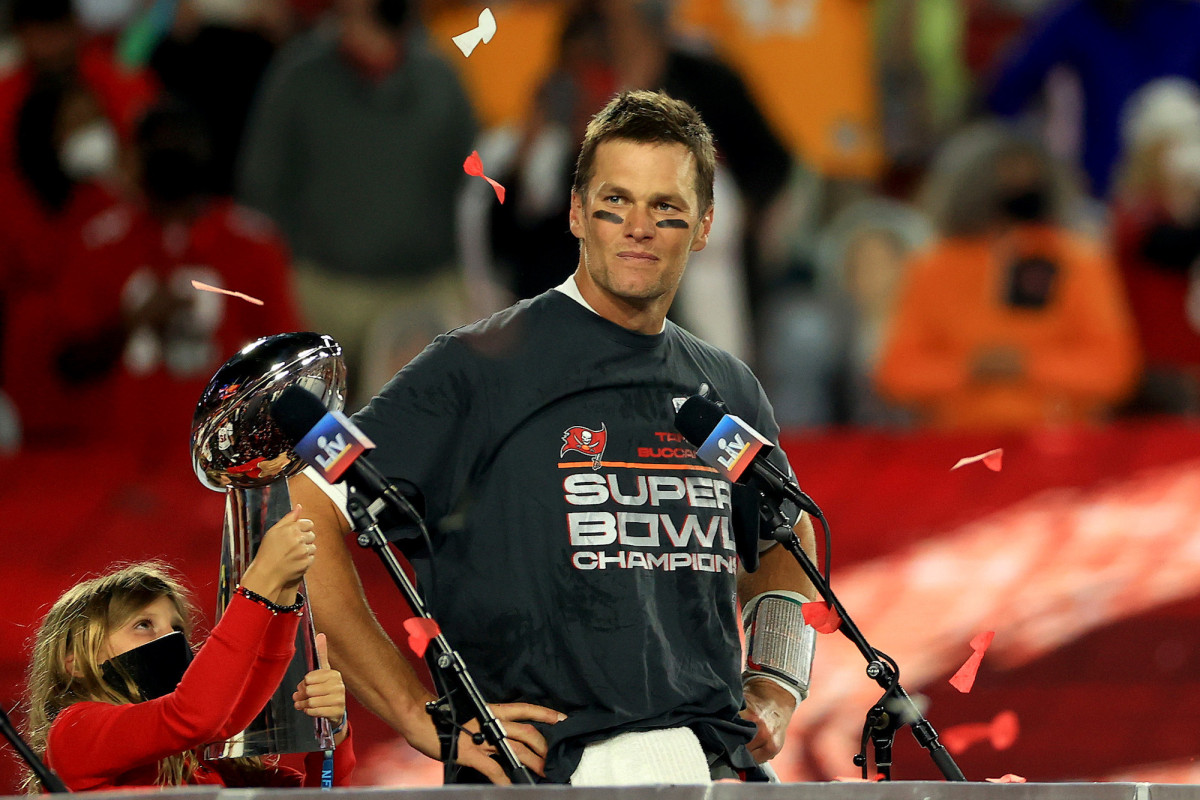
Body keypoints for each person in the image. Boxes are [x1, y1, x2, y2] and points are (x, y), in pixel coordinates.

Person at [290, 90, 820, 785]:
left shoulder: (727, 386)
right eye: (614, 203)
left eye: (667, 209)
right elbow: (309, 500)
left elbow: (786, 537)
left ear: (704, 226)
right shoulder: (477, 369)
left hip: (711, 768)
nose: (639, 228)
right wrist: (421, 714)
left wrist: (777, 687)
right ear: (574, 212)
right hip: (542, 776)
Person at [23, 505, 356, 792]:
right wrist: (261, 585)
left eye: (177, 628)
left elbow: (232, 710)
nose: (171, 639)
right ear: (76, 662)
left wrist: (332, 730)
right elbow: (194, 716)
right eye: (143, 625)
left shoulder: (209, 763)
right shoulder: (74, 732)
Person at [874, 123, 1141, 430]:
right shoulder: (934, 267)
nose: (1020, 182)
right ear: (974, 184)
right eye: (1007, 172)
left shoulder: (1079, 261)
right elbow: (897, 372)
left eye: (1029, 172)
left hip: (1061, 442)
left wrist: (1028, 365)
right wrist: (970, 368)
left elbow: (1115, 368)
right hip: (956, 448)